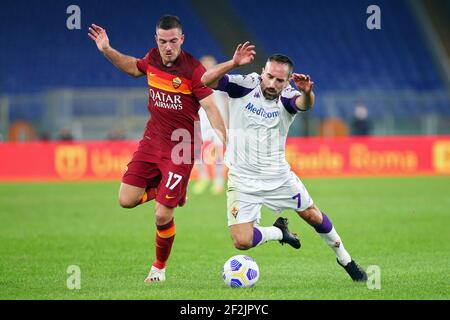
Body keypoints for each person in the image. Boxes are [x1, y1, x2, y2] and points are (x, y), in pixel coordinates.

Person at [201, 42, 367, 281]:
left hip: (277, 176)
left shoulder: (289, 98)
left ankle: (346, 260)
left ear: (288, 81)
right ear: (263, 73)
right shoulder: (244, 86)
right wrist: (233, 63)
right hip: (242, 178)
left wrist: (307, 92)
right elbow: (206, 80)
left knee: (312, 215)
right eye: (269, 77)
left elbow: (304, 105)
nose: (272, 84)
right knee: (242, 241)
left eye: (279, 80)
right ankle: (279, 233)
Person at [89, 15, 227, 282]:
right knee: (125, 200)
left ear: (181, 40)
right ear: (156, 40)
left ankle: (158, 268)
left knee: (163, 214)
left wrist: (227, 141)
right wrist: (106, 49)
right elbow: (132, 67)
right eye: (163, 41)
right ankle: (173, 192)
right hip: (151, 143)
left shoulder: (194, 70)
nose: (168, 47)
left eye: (173, 41)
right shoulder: (152, 58)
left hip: (181, 148)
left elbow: (210, 107)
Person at [193, 55, 229, 195]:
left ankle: (218, 181)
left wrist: (227, 121)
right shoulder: (197, 83)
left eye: (210, 65)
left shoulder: (221, 82)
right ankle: (203, 178)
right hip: (202, 120)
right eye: (205, 66)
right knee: (197, 151)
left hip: (218, 120)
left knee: (219, 153)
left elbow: (226, 102)